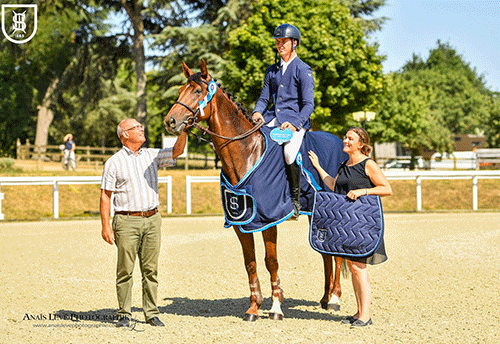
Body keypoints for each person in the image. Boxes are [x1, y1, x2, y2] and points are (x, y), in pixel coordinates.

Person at [100, 118, 187, 327]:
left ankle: (151, 312)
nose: (141, 129)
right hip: (126, 221)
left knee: (151, 269)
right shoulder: (114, 162)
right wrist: (105, 225)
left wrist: (183, 130)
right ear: (125, 135)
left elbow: (177, 151)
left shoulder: (152, 155)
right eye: (136, 127)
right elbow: (105, 196)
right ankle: (124, 313)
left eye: (141, 126)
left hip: (152, 219)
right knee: (125, 270)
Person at [308, 127, 392, 328]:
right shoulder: (344, 165)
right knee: (353, 267)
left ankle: (365, 315)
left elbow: (386, 189)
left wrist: (363, 191)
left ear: (361, 144)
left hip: (363, 225)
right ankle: (359, 312)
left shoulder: (368, 164)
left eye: (350, 138)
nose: (345, 140)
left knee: (359, 268)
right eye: (345, 137)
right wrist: (318, 167)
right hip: (348, 225)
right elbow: (334, 185)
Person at [252, 23, 315, 219]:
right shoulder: (272, 70)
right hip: (272, 119)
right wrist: (257, 112)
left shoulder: (303, 69)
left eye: (283, 42)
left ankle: (295, 202)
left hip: (294, 122)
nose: (280, 45)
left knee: (289, 152)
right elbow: (264, 98)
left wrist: (296, 123)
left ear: (294, 43)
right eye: (278, 42)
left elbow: (308, 104)